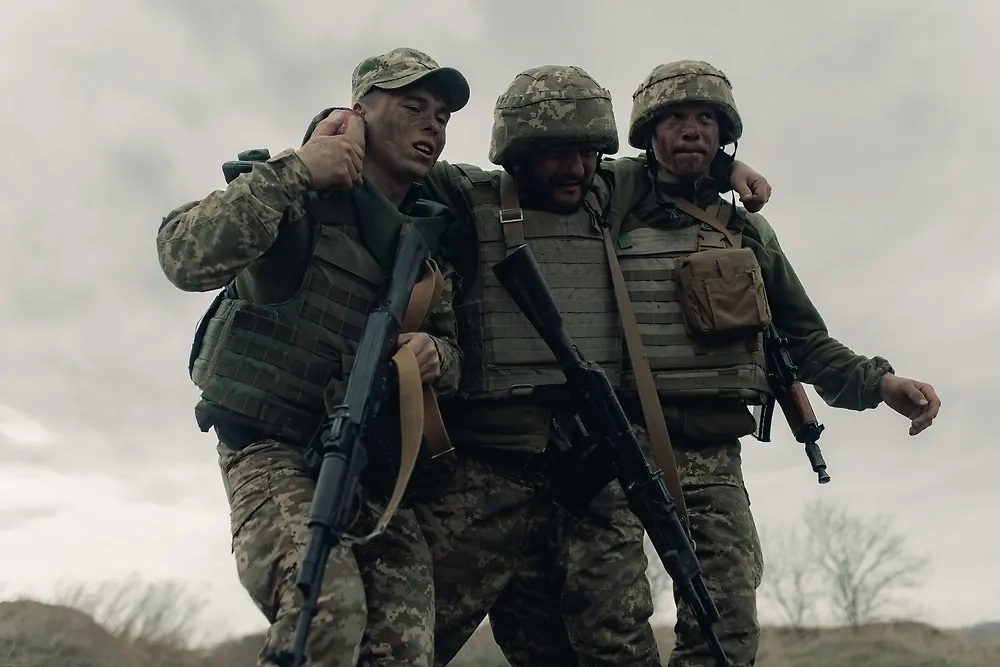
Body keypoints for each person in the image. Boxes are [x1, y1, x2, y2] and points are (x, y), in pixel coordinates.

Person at [325, 65, 771, 666]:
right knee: (403, 642)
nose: (576, 169)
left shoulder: (607, 198)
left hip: (583, 476)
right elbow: (383, 162)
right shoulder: (469, 197)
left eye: (588, 154)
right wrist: (345, 125)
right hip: (484, 475)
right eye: (557, 154)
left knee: (609, 641)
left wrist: (730, 169)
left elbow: (675, 165)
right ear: (518, 153)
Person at [596, 59, 942, 667]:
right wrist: (730, 169)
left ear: (724, 133)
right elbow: (566, 175)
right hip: (616, 444)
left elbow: (804, 340)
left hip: (712, 454)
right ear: (648, 132)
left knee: (727, 627)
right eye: (675, 119)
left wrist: (881, 383)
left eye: (706, 120)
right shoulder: (610, 201)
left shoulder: (747, 232)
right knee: (604, 621)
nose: (692, 130)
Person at [156, 47, 472, 667]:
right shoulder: (293, 194)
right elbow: (182, 255)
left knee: (405, 646)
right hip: (270, 450)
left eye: (441, 116)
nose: (432, 126)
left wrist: (436, 354)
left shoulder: (424, 244)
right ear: (359, 113)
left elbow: (456, 356)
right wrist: (297, 168)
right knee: (326, 609)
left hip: (367, 467)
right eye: (413, 107)